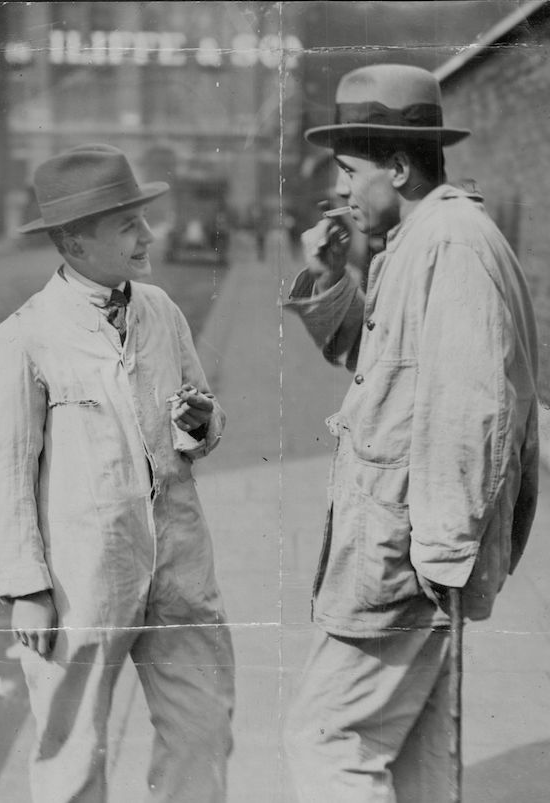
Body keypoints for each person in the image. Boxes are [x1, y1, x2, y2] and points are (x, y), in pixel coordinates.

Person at [283, 64, 539, 802]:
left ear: (398, 167)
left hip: (406, 556)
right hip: (410, 549)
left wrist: (442, 552)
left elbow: (475, 407)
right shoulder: (418, 237)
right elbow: (379, 365)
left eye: (349, 172)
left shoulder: (452, 242)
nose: (340, 192)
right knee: (416, 760)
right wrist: (330, 279)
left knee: (328, 739)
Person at [0, 144, 235, 803]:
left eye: (142, 220)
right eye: (128, 224)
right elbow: (1, 473)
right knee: (70, 751)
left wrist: (200, 423)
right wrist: (27, 585)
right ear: (74, 241)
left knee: (202, 730)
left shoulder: (161, 311)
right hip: (84, 579)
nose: (149, 234)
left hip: (178, 565)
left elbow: (201, 416)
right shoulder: (28, 336)